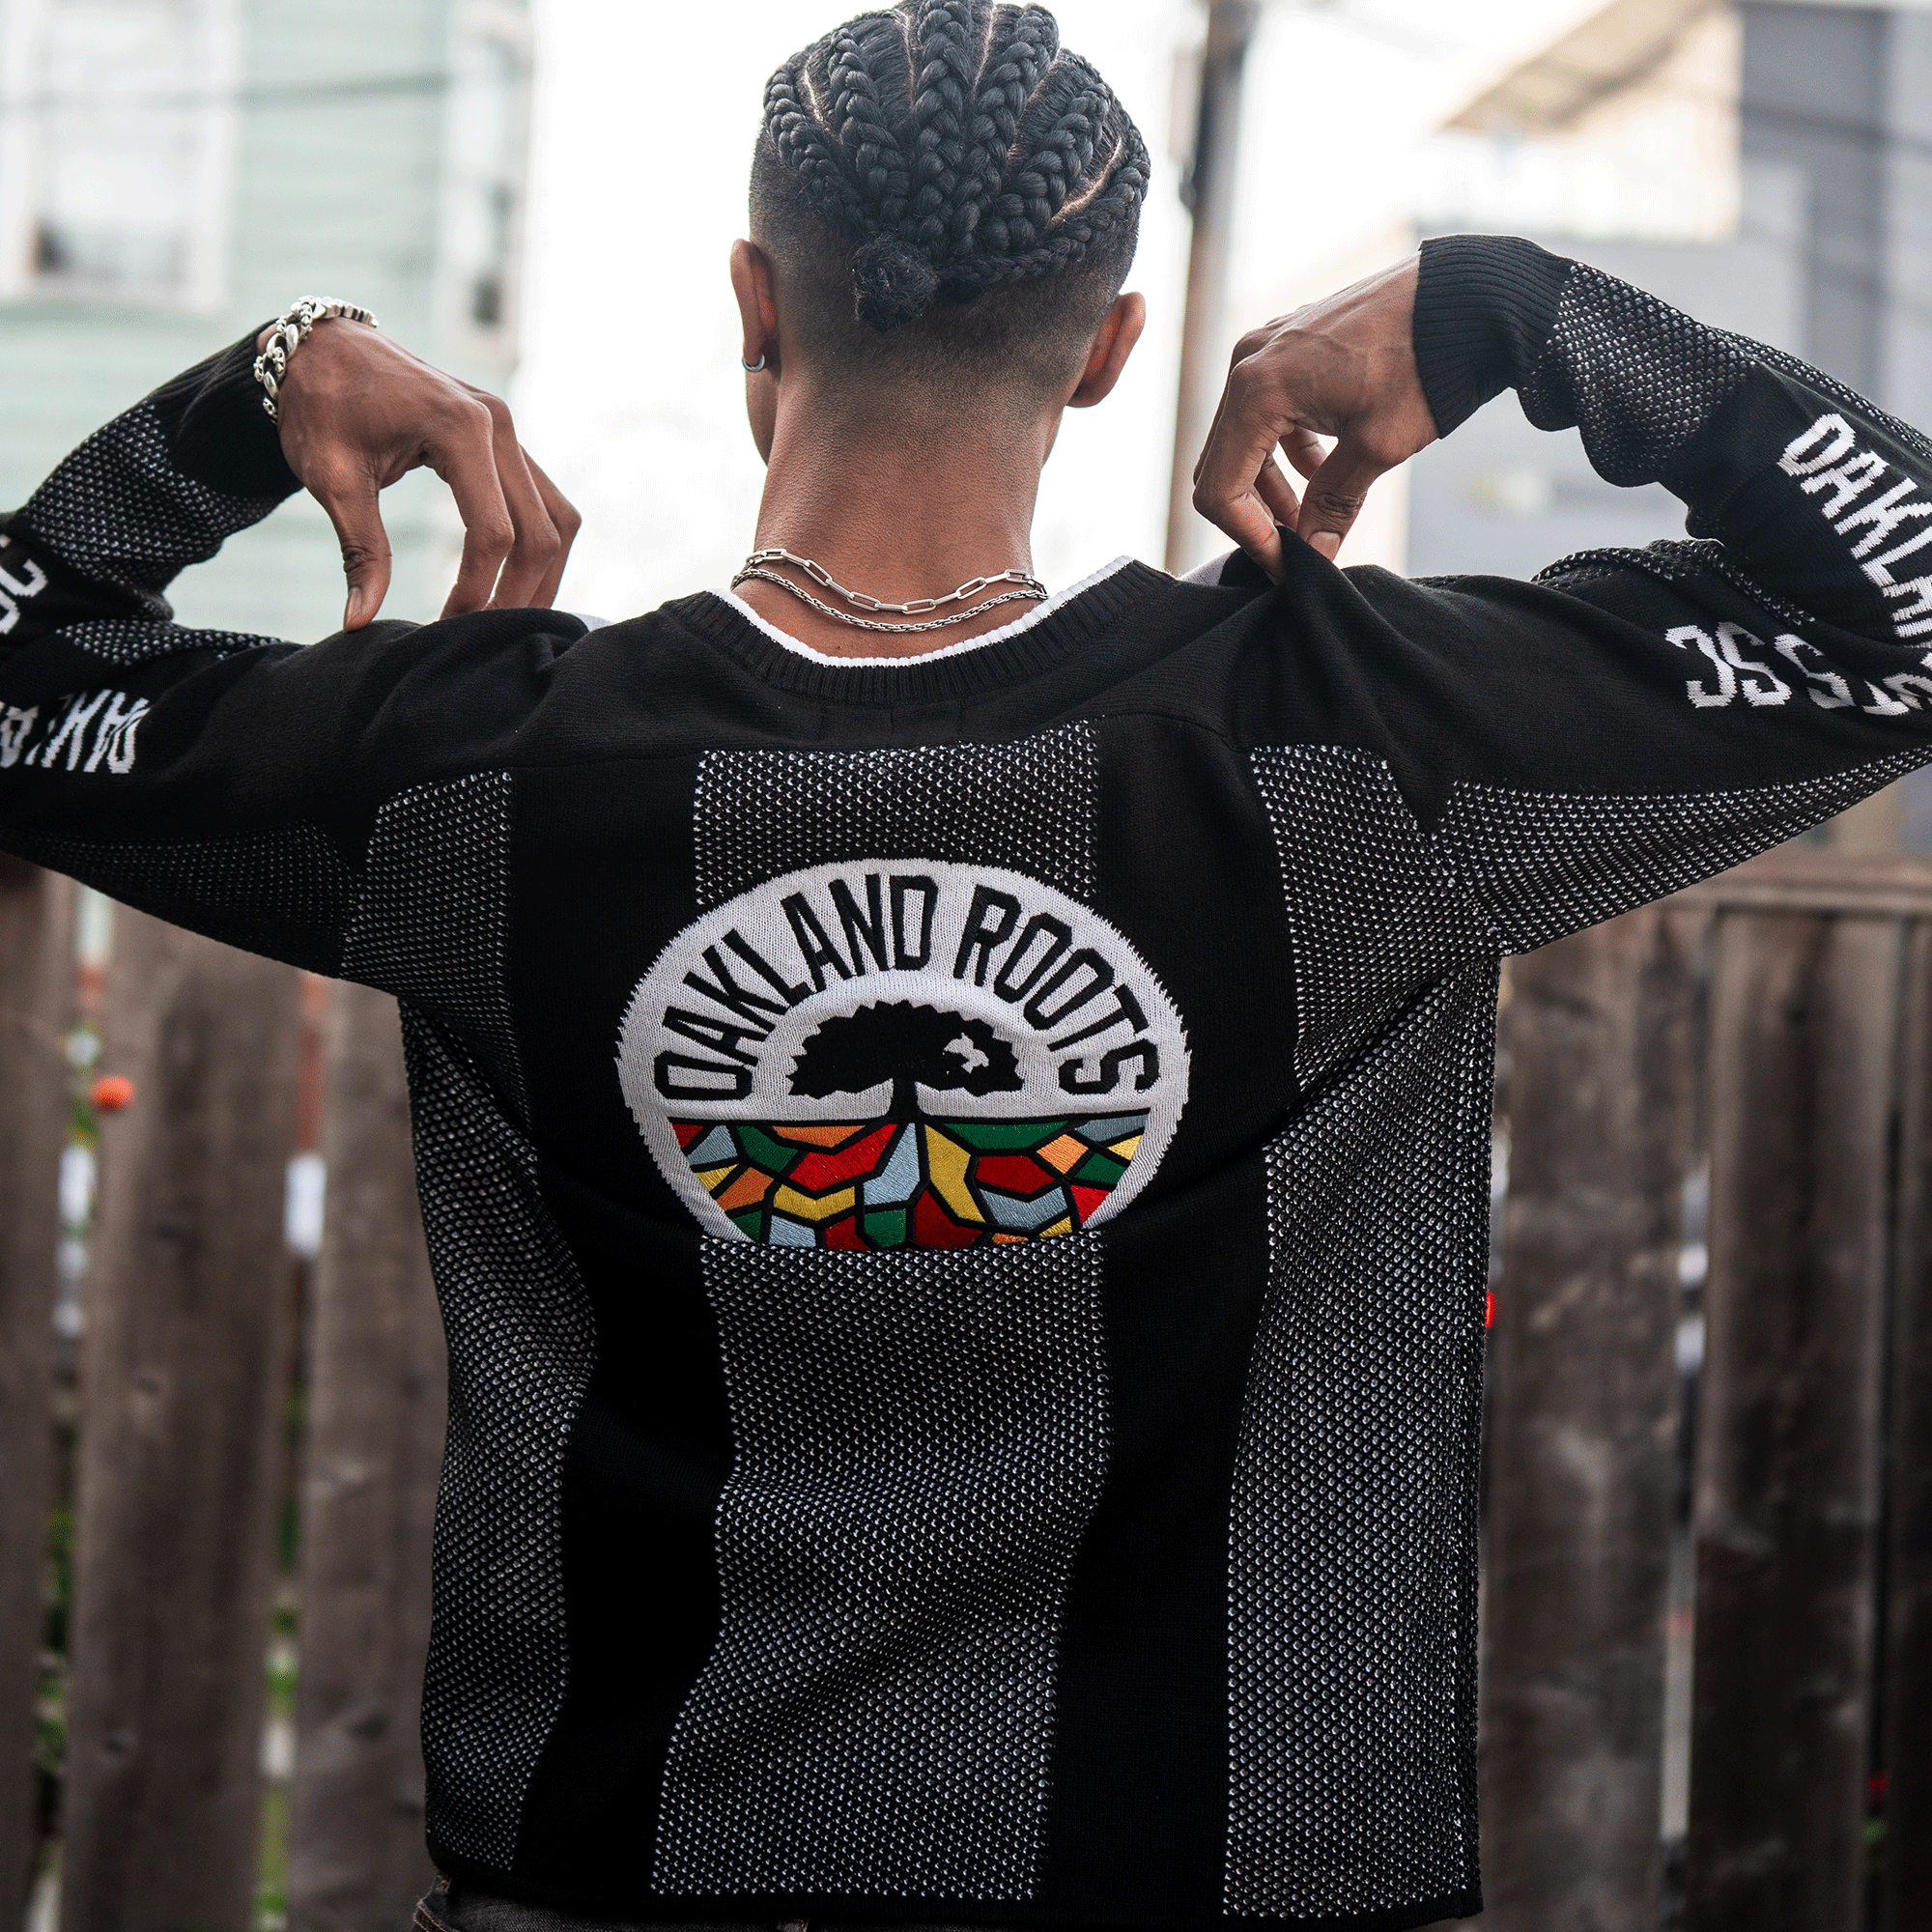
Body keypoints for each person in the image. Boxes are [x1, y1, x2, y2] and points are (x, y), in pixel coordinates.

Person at [5, 4, 1932, 1929]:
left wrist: (252, 396)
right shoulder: (1346, 744)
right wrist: (1517, 313)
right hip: (1208, 1871)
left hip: (617, 1878)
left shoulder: (473, 775)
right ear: (1110, 348)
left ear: (754, 306)